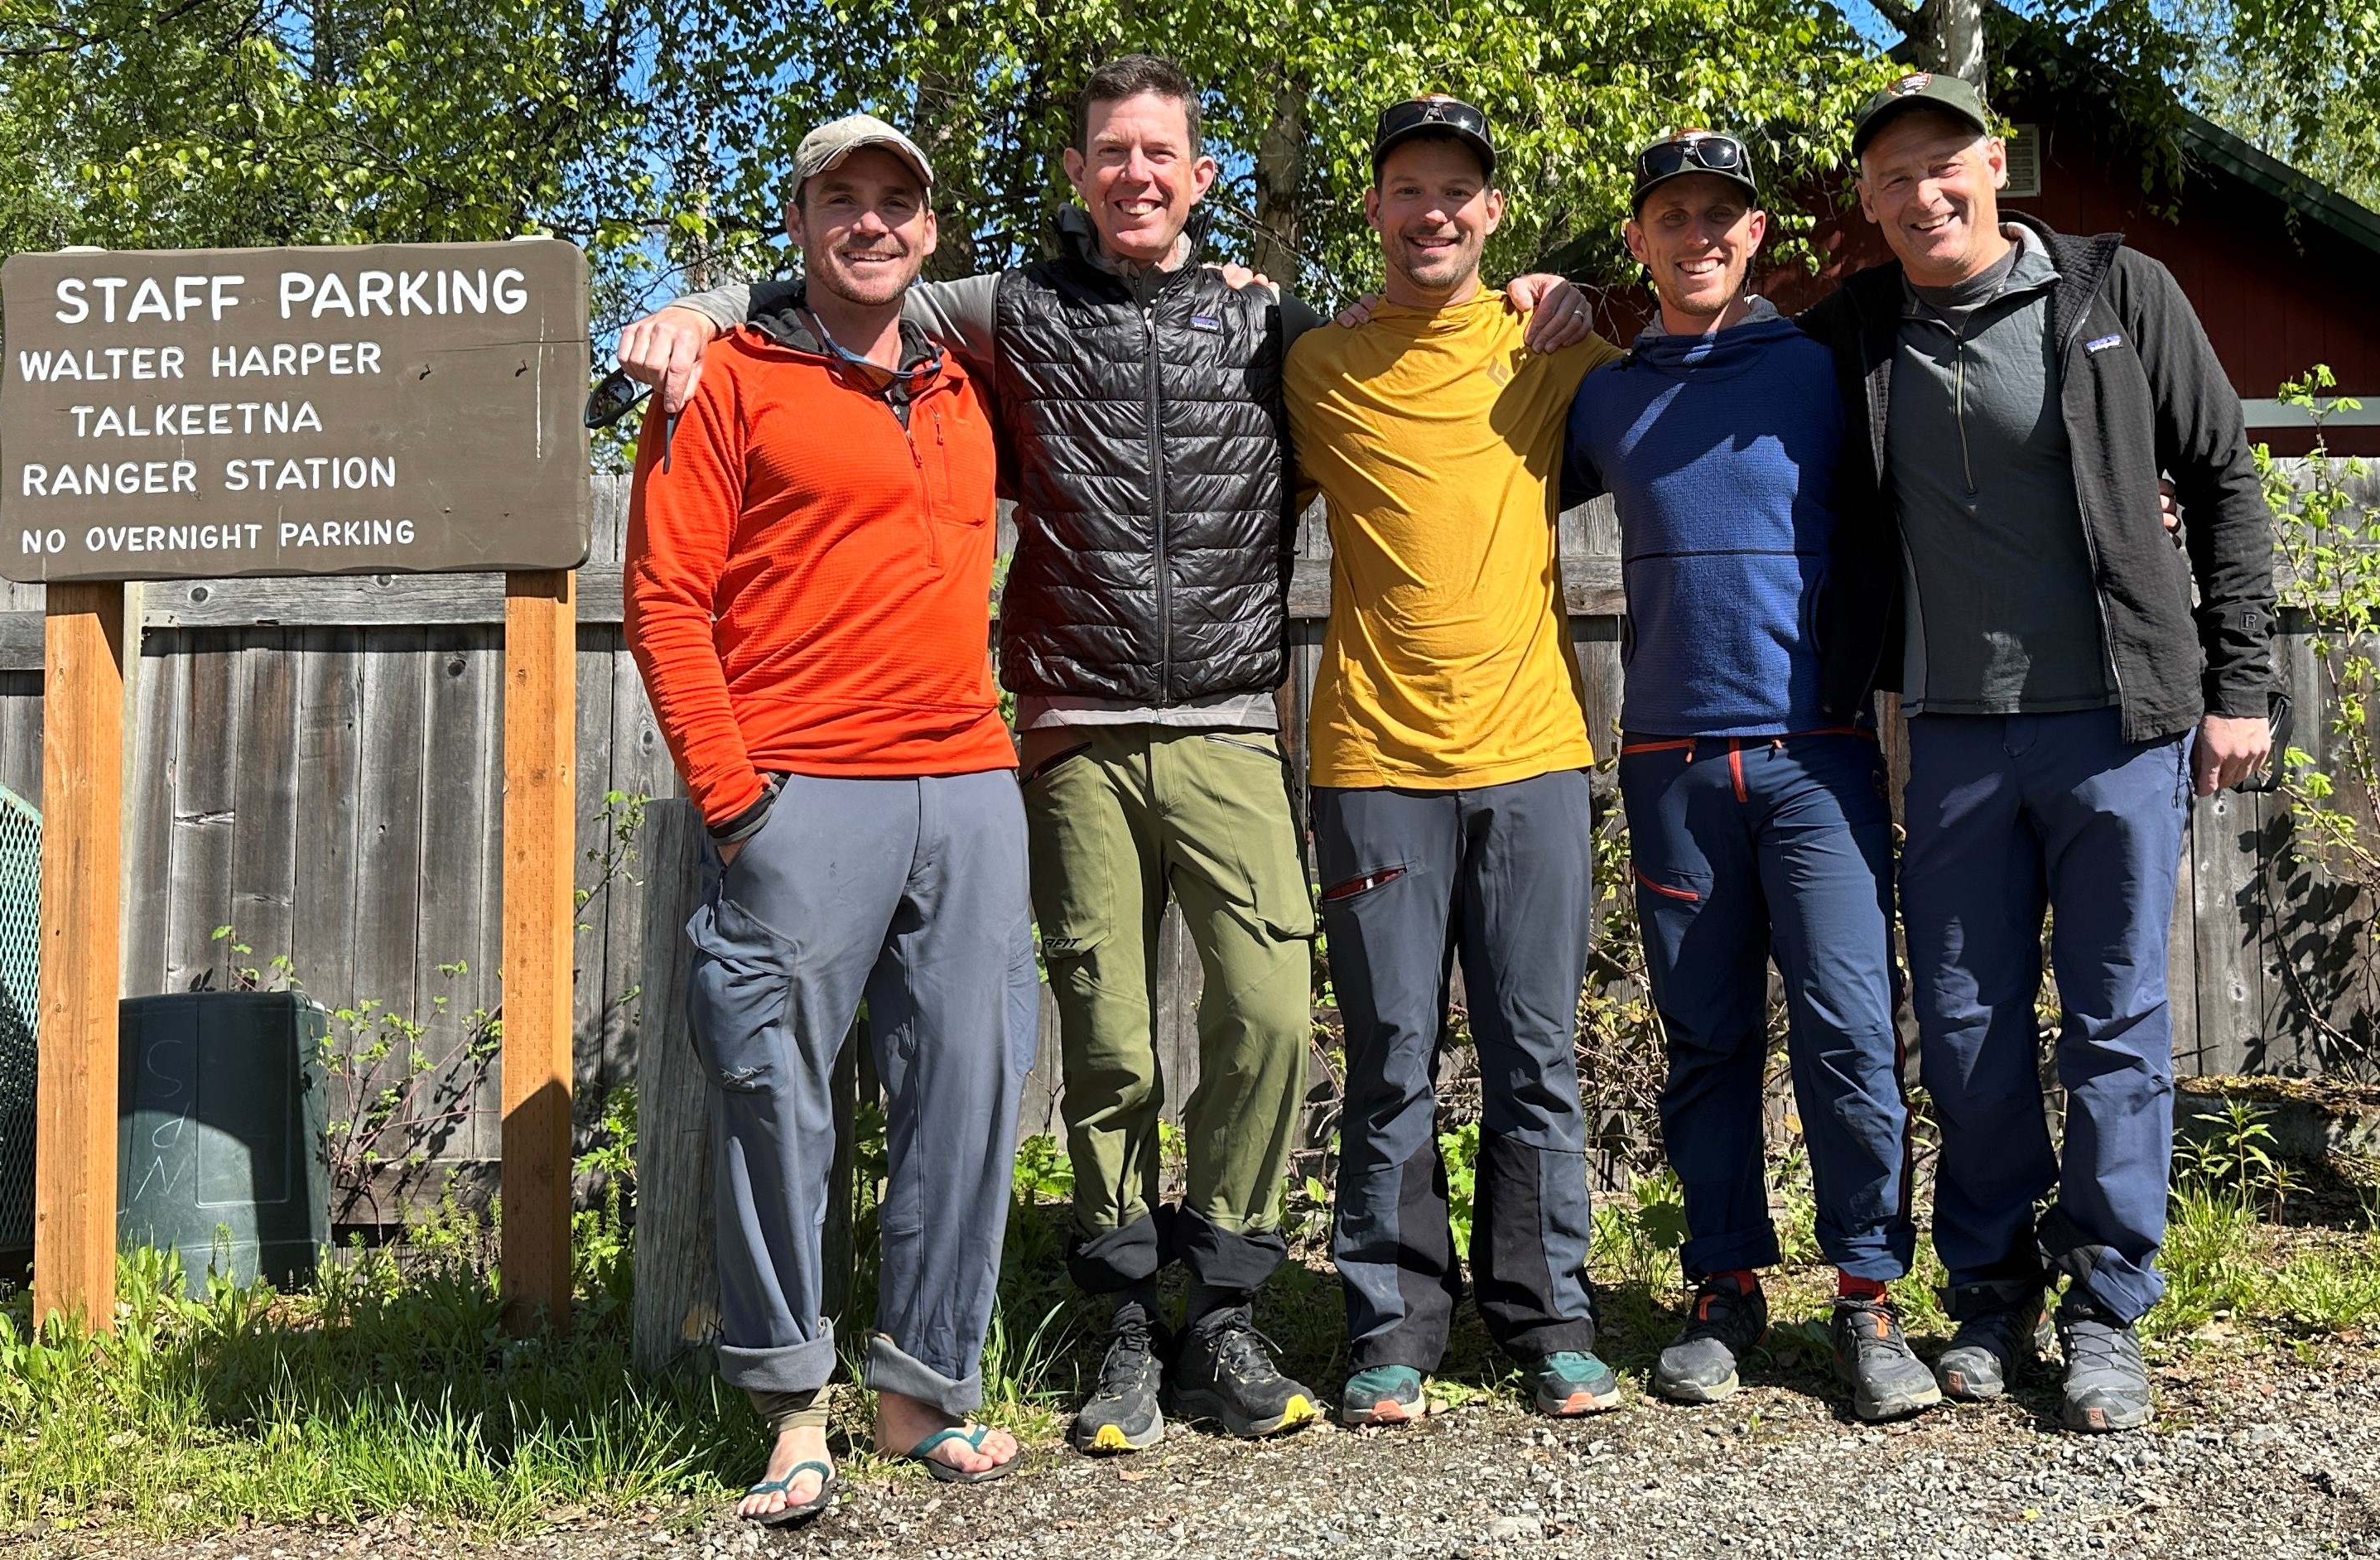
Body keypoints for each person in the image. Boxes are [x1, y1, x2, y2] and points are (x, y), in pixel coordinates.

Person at [620, 56, 1593, 1453]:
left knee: (1264, 1014)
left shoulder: (1280, 336)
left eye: (1162, 155)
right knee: (1107, 1040)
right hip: (1069, 726)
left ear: (1202, 180)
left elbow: (1426, 367)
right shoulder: (1002, 312)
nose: (1137, 175)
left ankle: (1231, 1305)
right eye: (1110, 154)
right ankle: (1125, 1315)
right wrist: (695, 310)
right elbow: (835, 289)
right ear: (1077, 177)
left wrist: (1563, 300)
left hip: (1231, 723)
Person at [1803, 70, 2277, 1432]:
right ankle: (1991, 1293)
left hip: (2115, 726)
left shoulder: (2117, 297)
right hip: (1949, 735)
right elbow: (1713, 347)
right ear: (1867, 201)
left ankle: (2107, 1308)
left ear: (1994, 163)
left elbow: (2227, 477)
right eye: (1890, 175)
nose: (1919, 192)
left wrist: (2237, 683)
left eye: (1941, 162)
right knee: (1964, 1029)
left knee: (2115, 1021)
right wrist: (1559, 306)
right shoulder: (1855, 328)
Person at [623, 113, 1036, 1522]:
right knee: (774, 1102)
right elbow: (665, 602)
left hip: (970, 784)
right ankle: (791, 1410)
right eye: (841, 201)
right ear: (798, 224)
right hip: (802, 793)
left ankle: (923, 1391)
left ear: (929, 235)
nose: (870, 223)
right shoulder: (725, 379)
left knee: (967, 1093)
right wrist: (737, 804)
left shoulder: (967, 382)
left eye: (896, 203)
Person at [1559, 130, 1939, 1422]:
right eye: (1672, 217)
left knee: (1846, 1034)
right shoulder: (1599, 395)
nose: (1698, 237)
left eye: (1721, 215)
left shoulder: (1826, 366)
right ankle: (1721, 1286)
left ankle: (1867, 1295)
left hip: (1814, 757)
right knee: (1705, 1043)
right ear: (1638, 243)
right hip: (1667, 764)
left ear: (1756, 233)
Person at [1284, 94, 1622, 1428]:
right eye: (1406, 189)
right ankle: (1392, 1327)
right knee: (1388, 1053)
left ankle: (1550, 1320)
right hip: (1371, 760)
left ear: (1491, 213)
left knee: (1536, 1051)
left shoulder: (1549, 350)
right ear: (1373, 211)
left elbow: (1681, 356)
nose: (1432, 211)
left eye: (1456, 191)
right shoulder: (1312, 364)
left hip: (1534, 753)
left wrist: (1589, 293)